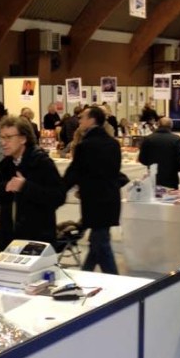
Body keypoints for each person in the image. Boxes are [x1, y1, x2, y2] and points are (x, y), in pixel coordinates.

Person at [0, 116, 65, 251]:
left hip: (37, 240)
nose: (3, 142)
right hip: (9, 240)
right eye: (1, 138)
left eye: (8, 137)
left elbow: (58, 196)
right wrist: (6, 187)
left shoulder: (41, 163)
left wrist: (25, 186)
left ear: (23, 139)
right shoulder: (6, 164)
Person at [64, 107, 121, 274]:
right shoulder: (113, 144)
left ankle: (113, 280)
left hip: (94, 201)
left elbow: (74, 173)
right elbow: (115, 171)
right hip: (110, 199)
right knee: (99, 240)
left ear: (92, 120)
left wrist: (58, 190)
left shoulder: (85, 146)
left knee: (100, 243)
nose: (79, 120)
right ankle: (86, 273)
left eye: (82, 118)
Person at [138, 117, 180, 189]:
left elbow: (142, 159)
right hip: (171, 178)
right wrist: (175, 169)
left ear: (158, 125)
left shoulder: (148, 139)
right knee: (170, 198)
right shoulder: (176, 139)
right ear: (171, 126)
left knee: (153, 199)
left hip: (153, 177)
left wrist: (151, 164)